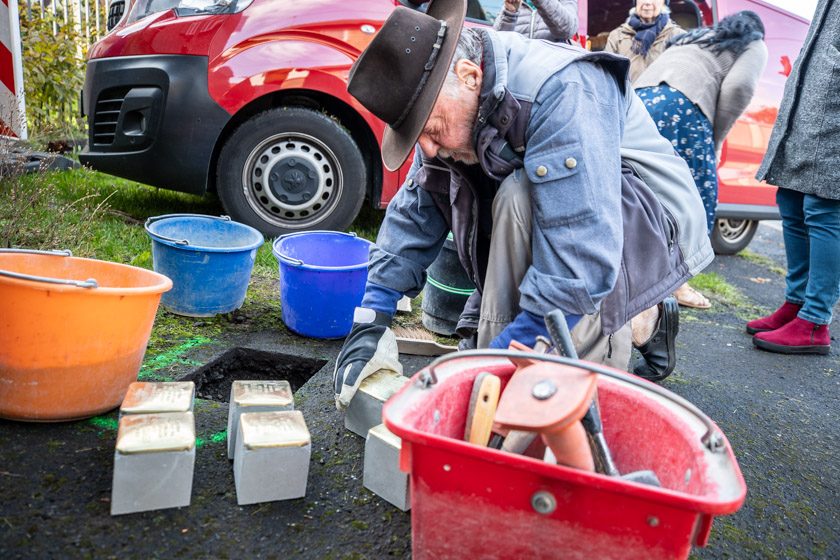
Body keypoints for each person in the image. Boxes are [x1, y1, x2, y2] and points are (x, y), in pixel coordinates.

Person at [332, 0, 712, 409]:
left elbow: (579, 253)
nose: (427, 148)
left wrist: (507, 359)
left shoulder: (564, 90)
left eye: (432, 130)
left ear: (470, 75)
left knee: (520, 198)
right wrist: (370, 321)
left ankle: (630, 328)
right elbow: (414, 212)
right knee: (502, 193)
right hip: (572, 210)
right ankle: (510, 359)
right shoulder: (449, 97)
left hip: (647, 216)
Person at [634, 11, 767, 309]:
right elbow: (739, 87)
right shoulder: (754, 44)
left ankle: (633, 276)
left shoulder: (697, 36)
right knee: (694, 197)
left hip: (639, 101)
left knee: (636, 189)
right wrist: (715, 138)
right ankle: (677, 284)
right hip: (681, 108)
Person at [747, 0, 839, 355]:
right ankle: (797, 302)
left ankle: (815, 320)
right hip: (811, 103)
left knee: (823, 204)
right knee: (791, 196)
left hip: (833, 109)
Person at [604, 0, 683, 83]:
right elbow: (607, 78)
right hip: (627, 95)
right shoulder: (617, 36)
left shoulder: (678, 37)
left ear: (664, 3)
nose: (647, 3)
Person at [494, 0, 578, 43]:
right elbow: (497, 43)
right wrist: (510, 12)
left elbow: (567, 31)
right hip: (518, 72)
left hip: (550, 72)